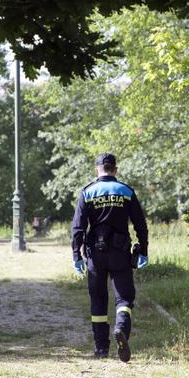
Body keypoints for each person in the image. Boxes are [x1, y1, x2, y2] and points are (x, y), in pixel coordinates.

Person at [71, 153, 149, 362]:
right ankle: (121, 328)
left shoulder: (87, 192)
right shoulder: (126, 191)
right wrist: (143, 251)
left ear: (97, 169)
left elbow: (78, 228)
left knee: (98, 299)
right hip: (120, 253)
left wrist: (76, 255)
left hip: (95, 255)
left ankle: (101, 348)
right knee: (124, 297)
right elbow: (140, 225)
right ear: (115, 169)